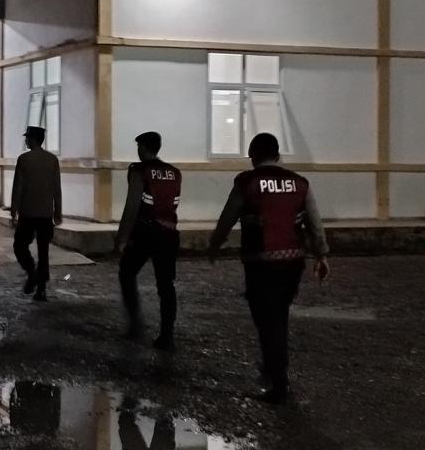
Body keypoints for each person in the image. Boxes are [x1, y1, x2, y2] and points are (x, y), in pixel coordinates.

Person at [207, 133, 330, 404]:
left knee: (267, 319)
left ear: (253, 156)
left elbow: (228, 217)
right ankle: (272, 368)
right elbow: (314, 222)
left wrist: (215, 245)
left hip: (260, 263)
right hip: (292, 262)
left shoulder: (247, 182)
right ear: (278, 155)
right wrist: (321, 255)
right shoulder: (299, 183)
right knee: (279, 314)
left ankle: (278, 382)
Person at [115, 131, 182, 351]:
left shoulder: (139, 171)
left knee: (127, 272)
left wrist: (122, 237)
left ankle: (135, 324)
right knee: (166, 284)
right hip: (169, 233)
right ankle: (167, 335)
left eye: (139, 146)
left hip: (145, 232)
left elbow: (132, 206)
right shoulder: (174, 172)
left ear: (142, 148)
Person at [10, 125, 62, 302]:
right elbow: (56, 188)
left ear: (33, 139)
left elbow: (17, 186)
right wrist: (58, 211)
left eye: (27, 138)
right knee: (43, 251)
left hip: (28, 212)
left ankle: (32, 272)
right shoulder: (52, 160)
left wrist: (13, 210)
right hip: (45, 214)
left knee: (20, 246)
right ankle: (41, 289)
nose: (26, 140)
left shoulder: (24, 159)